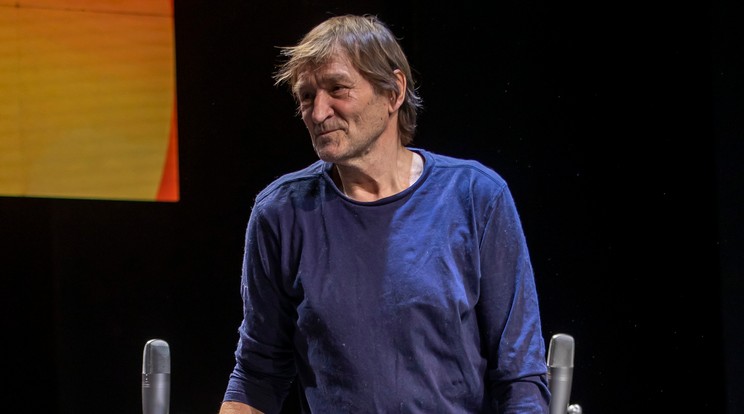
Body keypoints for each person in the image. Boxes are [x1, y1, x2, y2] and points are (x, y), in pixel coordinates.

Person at [219, 14, 550, 414]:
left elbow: (519, 376)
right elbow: (258, 374)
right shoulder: (281, 212)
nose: (318, 112)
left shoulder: (476, 197)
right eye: (306, 96)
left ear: (393, 91)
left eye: (337, 89)